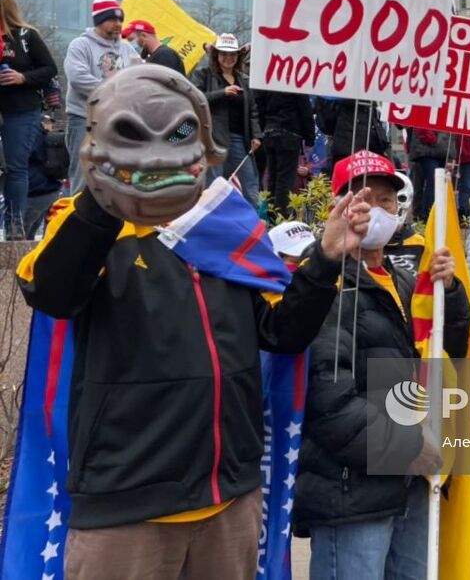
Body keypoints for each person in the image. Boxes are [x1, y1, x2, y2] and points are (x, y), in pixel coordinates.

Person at [17, 69, 373, 580]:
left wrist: (325, 259)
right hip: (126, 515)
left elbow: (282, 335)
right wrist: (106, 194)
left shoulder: (228, 228)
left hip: (229, 502)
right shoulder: (86, 225)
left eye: (178, 133)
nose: (160, 152)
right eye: (137, 133)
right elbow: (52, 292)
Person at [295, 152, 470, 580]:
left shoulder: (406, 277)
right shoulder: (325, 284)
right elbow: (328, 400)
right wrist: (410, 449)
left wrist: (452, 293)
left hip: (410, 481)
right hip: (354, 489)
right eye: (366, 198)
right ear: (339, 206)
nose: (379, 210)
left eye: (389, 201)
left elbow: (446, 350)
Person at [63, 0, 138, 193]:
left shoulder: (127, 49)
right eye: (112, 19)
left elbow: (139, 77)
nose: (118, 23)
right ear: (99, 20)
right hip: (84, 120)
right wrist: (115, 93)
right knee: (83, 174)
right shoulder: (80, 45)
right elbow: (78, 78)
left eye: (120, 19)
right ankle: (77, 221)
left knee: (118, 176)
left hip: (117, 122)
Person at [0, 0, 58, 238]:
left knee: (16, 167)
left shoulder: (26, 36)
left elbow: (49, 68)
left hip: (21, 110)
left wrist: (23, 77)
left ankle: (14, 226)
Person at [190, 34, 262, 206]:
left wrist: (256, 135)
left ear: (238, 57)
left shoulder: (243, 80)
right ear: (216, 56)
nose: (228, 58)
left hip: (239, 139)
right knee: (214, 185)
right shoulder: (203, 75)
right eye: (224, 54)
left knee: (250, 183)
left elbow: (253, 110)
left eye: (232, 55)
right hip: (212, 139)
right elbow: (194, 99)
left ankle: (255, 225)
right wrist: (222, 93)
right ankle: (211, 223)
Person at [257, 87, 316, 216]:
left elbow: (259, 106)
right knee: (285, 180)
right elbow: (306, 110)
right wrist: (310, 139)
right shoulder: (294, 83)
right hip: (290, 134)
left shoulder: (268, 82)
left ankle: (272, 216)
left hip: (269, 132)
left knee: (273, 178)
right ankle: (282, 217)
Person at [23, 114, 65, 238]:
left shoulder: (32, 136)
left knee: (21, 235)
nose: (49, 125)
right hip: (51, 190)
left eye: (50, 122)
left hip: (36, 191)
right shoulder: (50, 140)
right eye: (46, 122)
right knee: (38, 234)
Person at [317, 99, 389, 170]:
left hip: (345, 148)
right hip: (370, 146)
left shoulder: (335, 99)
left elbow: (326, 125)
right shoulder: (370, 102)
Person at [383, 171, 426, 276]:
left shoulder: (420, 244)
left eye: (400, 199)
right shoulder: (361, 245)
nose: (396, 206)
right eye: (386, 200)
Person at [406, 126, 451, 221]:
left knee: (433, 184)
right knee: (432, 183)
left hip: (438, 148)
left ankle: (428, 214)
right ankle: (427, 215)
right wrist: (433, 139)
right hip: (427, 147)